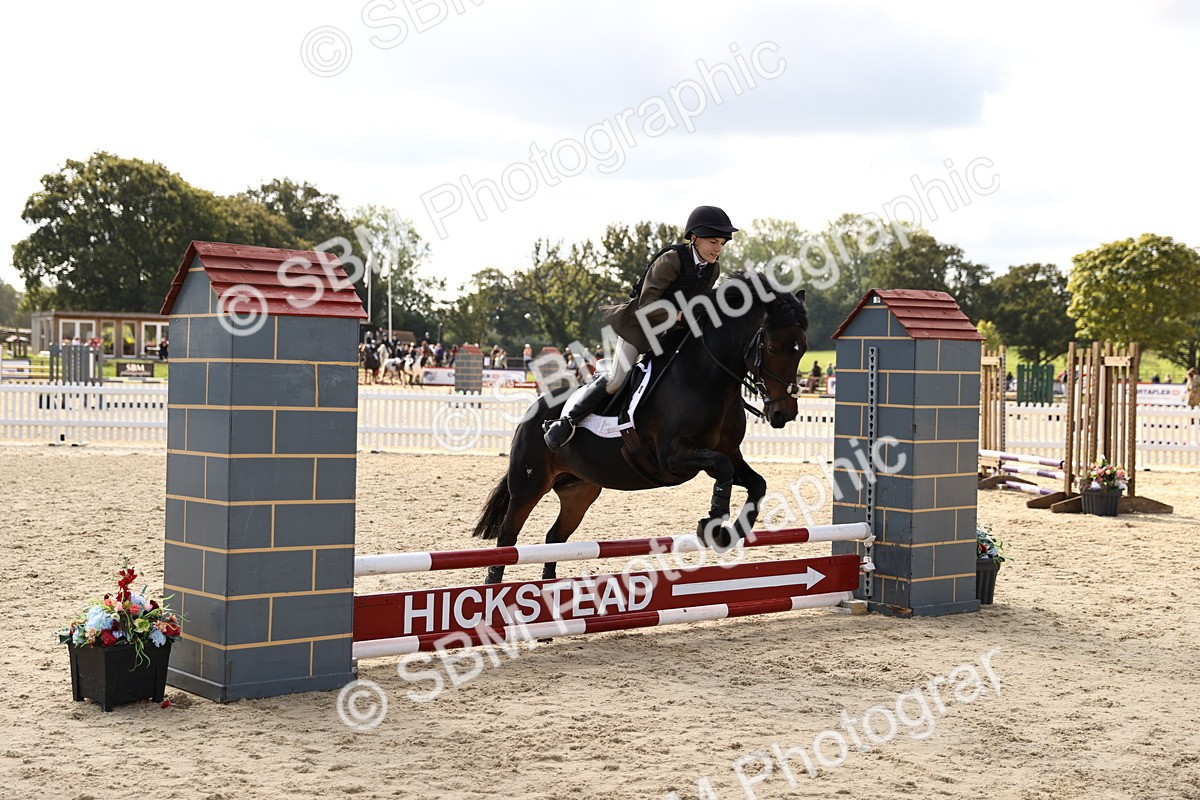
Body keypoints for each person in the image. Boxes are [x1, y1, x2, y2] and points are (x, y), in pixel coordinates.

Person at [543, 205, 738, 450]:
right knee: (616, 380)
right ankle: (566, 421)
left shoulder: (713, 269)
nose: (718, 249)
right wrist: (679, 316)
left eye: (722, 243)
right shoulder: (672, 259)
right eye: (713, 242)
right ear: (695, 238)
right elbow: (647, 305)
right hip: (641, 327)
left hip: (673, 336)